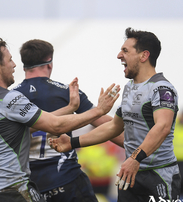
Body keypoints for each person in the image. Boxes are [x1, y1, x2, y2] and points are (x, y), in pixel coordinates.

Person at [0, 39, 119, 202]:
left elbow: (22, 129)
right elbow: (56, 125)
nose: (14, 65)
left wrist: (69, 108)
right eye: (9, 60)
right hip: (14, 190)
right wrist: (99, 110)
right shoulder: (9, 99)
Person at [49, 27, 181, 202]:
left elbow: (162, 127)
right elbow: (113, 127)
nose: (119, 55)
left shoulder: (162, 89)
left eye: (125, 51)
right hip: (130, 174)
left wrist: (135, 158)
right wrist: (72, 142)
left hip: (158, 174)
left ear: (144, 56)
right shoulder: (129, 88)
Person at [14, 39, 124, 202]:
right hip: (67, 180)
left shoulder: (11, 98)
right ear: (49, 63)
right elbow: (107, 125)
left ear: (24, 65)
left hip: (30, 187)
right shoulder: (68, 92)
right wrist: (142, 147)